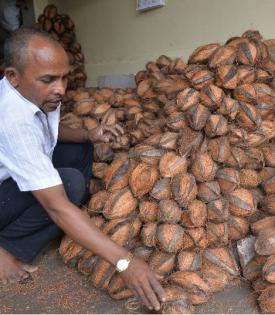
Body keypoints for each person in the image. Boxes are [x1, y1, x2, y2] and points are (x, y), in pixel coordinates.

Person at [0, 27, 165, 311]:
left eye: (65, 77)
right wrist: (125, 262)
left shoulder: (33, 93)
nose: (61, 88)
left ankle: (76, 218)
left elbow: (45, 131)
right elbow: (56, 206)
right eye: (49, 79)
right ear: (13, 77)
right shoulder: (11, 118)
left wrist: (89, 135)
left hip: (11, 173)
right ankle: (7, 247)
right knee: (70, 185)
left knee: (80, 149)